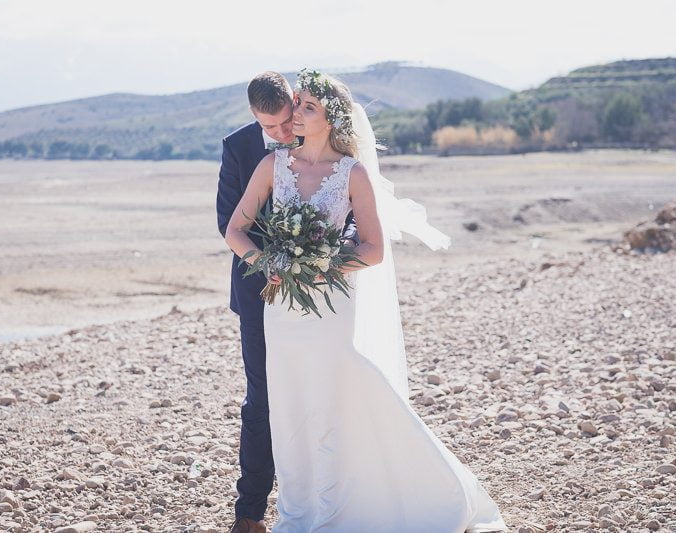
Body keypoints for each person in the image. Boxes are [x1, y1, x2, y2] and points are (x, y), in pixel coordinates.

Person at [224, 69, 509, 532]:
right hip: (282, 308)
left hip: (332, 308)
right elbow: (235, 230)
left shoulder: (352, 173)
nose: (294, 113)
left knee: (337, 396)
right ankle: (300, 511)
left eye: (306, 107)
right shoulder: (271, 167)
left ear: (332, 117)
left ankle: (357, 503)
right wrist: (268, 262)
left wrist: (321, 267)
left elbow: (373, 250)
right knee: (289, 402)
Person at [216, 71, 359, 533]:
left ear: (297, 103)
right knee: (262, 400)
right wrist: (274, 260)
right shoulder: (238, 148)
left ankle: (332, 502)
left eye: (286, 122)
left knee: (322, 395)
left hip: (324, 296)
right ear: (254, 117)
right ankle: (250, 512)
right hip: (262, 294)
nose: (282, 134)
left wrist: (324, 257)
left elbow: (354, 220)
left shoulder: (327, 147)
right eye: (270, 127)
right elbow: (230, 223)